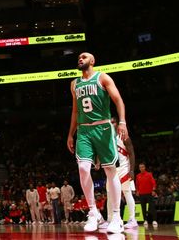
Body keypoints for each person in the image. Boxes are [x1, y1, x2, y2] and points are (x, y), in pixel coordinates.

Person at [66, 52, 128, 234]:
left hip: (103, 128)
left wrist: (122, 122)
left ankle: (116, 216)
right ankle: (94, 212)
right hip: (84, 130)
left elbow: (118, 100)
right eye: (79, 57)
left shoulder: (102, 77)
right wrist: (71, 134)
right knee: (83, 169)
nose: (80, 59)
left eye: (84, 57)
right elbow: (75, 111)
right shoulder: (74, 84)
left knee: (110, 170)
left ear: (92, 61)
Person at [104, 118, 138, 229]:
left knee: (127, 193)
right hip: (112, 171)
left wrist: (132, 170)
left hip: (124, 169)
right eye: (110, 122)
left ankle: (132, 219)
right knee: (109, 195)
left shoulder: (123, 136)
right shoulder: (106, 138)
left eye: (113, 122)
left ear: (117, 124)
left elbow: (132, 153)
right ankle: (109, 219)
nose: (111, 124)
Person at [136, 162, 158, 227]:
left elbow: (153, 183)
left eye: (142, 167)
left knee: (152, 207)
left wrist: (153, 190)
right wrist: (137, 191)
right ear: (139, 168)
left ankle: (154, 220)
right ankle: (145, 220)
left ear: (144, 167)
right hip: (141, 194)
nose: (141, 168)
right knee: (143, 208)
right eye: (140, 167)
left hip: (149, 193)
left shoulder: (149, 174)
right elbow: (137, 185)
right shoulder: (138, 176)